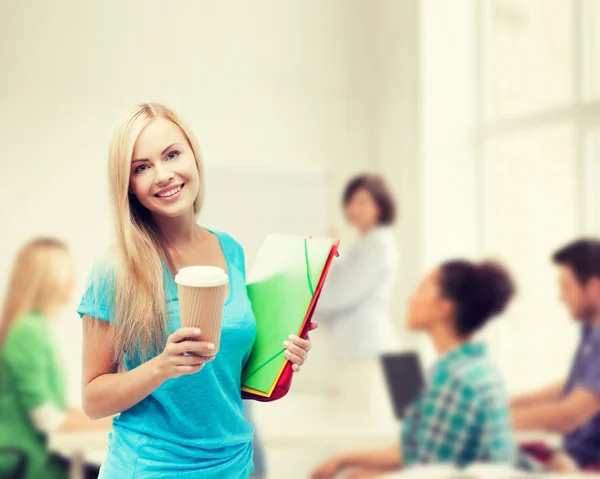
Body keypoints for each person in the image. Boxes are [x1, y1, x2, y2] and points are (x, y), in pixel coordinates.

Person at [78, 103, 315, 478]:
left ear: (193, 156)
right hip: (151, 467)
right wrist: (161, 367)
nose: (163, 175)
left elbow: (225, 373)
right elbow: (93, 400)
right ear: (129, 186)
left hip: (233, 462)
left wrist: (283, 354)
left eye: (172, 154)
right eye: (142, 167)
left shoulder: (230, 249)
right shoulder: (115, 271)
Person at [312, 260, 517, 478]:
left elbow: (430, 472)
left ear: (443, 308)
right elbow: (416, 454)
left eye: (421, 289)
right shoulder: (475, 368)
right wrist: (344, 460)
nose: (410, 298)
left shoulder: (454, 379)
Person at [0, 238, 111, 479]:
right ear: (46, 280)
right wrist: (117, 423)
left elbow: (57, 410)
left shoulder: (34, 327)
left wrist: (109, 415)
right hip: (28, 462)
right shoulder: (27, 332)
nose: (73, 281)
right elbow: (49, 419)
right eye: (67, 273)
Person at [315, 174, 400, 419]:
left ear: (380, 205)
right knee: (349, 419)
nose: (354, 208)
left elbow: (342, 293)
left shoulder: (379, 244)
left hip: (366, 349)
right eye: (351, 201)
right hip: (353, 348)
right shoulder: (364, 245)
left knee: (360, 424)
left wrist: (308, 303)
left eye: (363, 201)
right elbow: (341, 282)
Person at [512, 239, 600, 471]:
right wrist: (511, 402)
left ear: (593, 288)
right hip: (570, 456)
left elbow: (570, 415)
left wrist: (491, 420)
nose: (561, 297)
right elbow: (575, 386)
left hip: (587, 466)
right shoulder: (591, 331)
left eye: (565, 287)